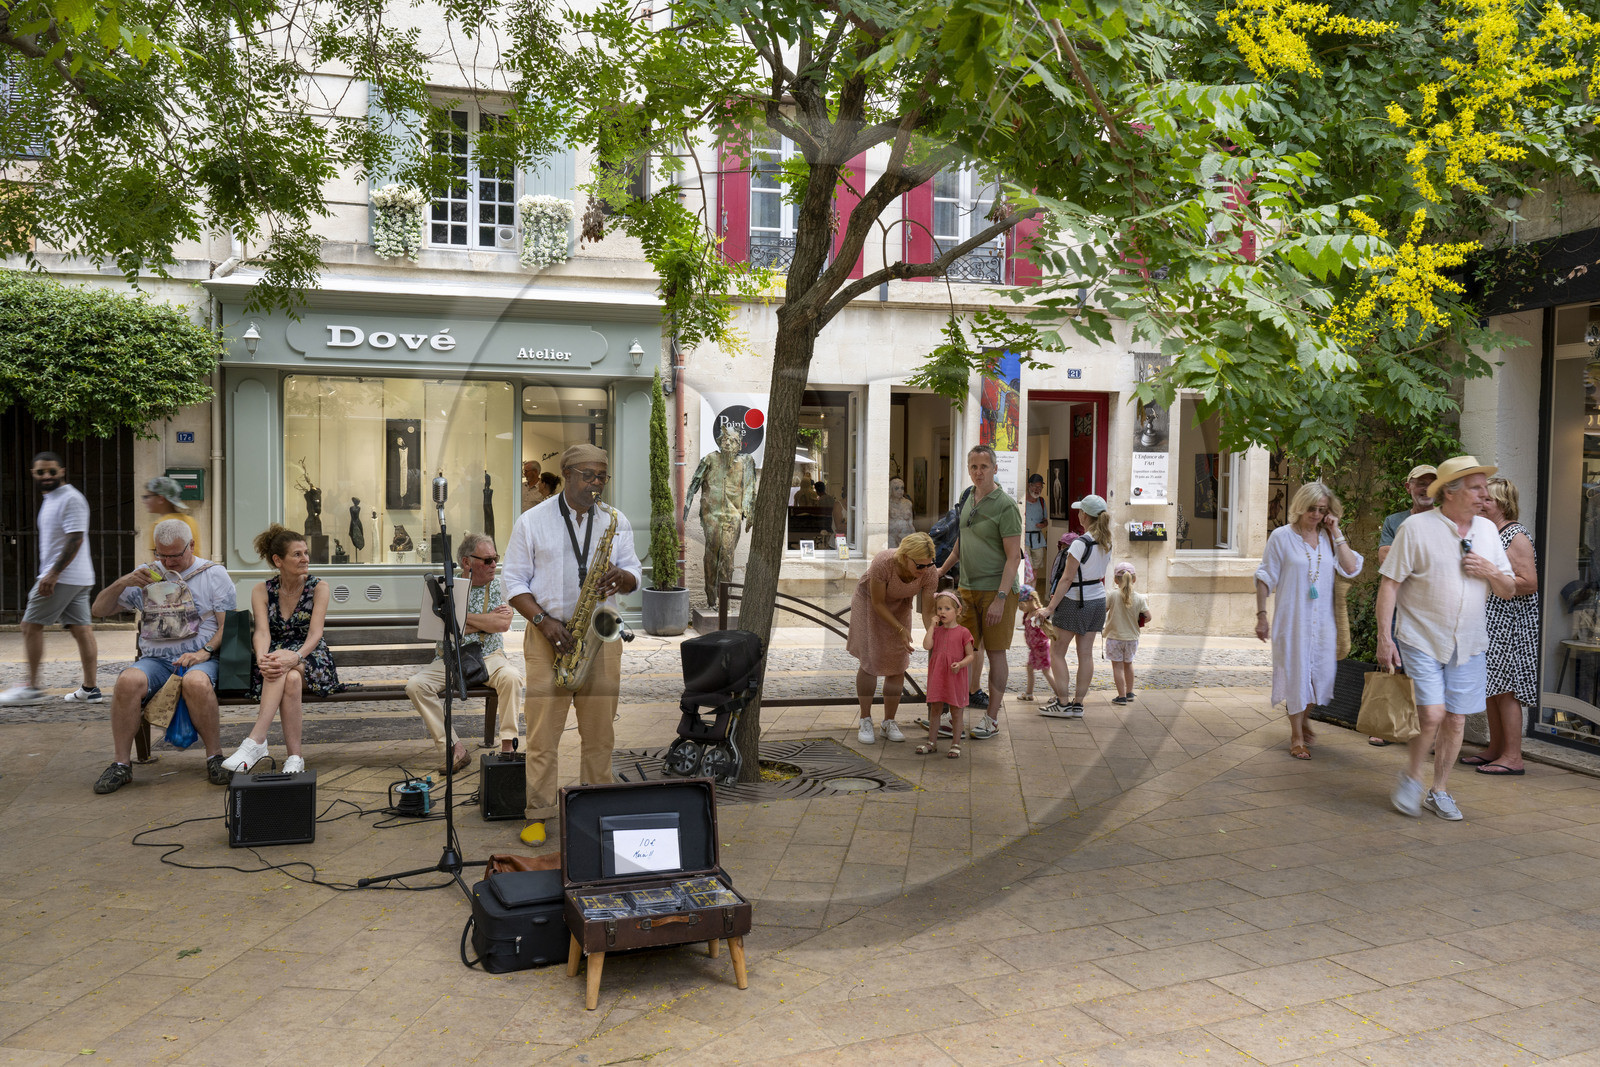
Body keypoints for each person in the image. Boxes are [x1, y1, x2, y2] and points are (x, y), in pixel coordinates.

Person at [504, 444, 642, 846]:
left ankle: (595, 807)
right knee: (543, 735)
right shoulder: (532, 522)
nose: (597, 483)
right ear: (566, 474)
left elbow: (635, 572)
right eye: (588, 476)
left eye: (602, 476)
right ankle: (539, 812)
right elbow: (513, 582)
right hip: (549, 634)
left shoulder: (615, 520)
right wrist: (543, 622)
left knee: (600, 735)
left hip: (600, 635)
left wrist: (624, 578)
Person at [1378, 456, 1517, 821]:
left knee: (1455, 720)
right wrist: (1383, 637)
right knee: (1433, 713)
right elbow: (1389, 584)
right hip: (1420, 636)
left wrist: (1489, 570)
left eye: (1484, 489)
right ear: (1450, 493)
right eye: (1476, 488)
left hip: (1469, 641)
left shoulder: (1487, 532)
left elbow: (1508, 588)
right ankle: (1411, 776)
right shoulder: (1415, 528)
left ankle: (1438, 790)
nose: (1484, 496)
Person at [88, 519, 237, 793]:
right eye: (161, 554)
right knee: (126, 682)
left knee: (196, 683)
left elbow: (228, 626)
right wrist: (124, 582)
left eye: (176, 555)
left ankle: (215, 757)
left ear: (191, 546)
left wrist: (204, 653)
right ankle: (121, 764)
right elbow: (99, 609)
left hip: (201, 659)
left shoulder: (213, 574)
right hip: (156, 661)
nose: (168, 562)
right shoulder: (146, 574)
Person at [220, 525, 344, 774]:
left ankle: (256, 740)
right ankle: (295, 758)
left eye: (306, 553)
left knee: (286, 668)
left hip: (311, 658)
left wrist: (295, 656)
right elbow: (262, 632)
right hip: (279, 660)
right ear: (278, 560)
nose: (305, 559)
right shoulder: (261, 590)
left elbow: (315, 634)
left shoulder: (319, 587)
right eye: (297, 554)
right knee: (290, 678)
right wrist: (263, 657)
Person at [1254, 483, 1364, 759]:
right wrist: (1262, 616)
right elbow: (1265, 576)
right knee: (1297, 675)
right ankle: (1296, 736)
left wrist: (1336, 531)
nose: (1316, 514)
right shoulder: (1281, 537)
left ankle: (1304, 717)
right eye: (1312, 509)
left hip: (1323, 623)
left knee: (1322, 675)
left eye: (1322, 510)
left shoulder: (1329, 538)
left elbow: (1351, 568)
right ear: (1300, 507)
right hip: (1292, 621)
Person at [404, 534, 525, 774]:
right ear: (467, 562)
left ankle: (507, 746)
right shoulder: (443, 589)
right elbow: (436, 626)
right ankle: (455, 748)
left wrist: (457, 620)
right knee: (415, 686)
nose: (494, 565)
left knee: (512, 677)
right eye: (488, 560)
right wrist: (484, 622)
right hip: (449, 658)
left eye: (495, 559)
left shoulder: (502, 585)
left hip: (490, 657)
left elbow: (501, 624)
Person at [935, 445, 1022, 739]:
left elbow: (1014, 557)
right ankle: (950, 717)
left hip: (997, 591)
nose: (978, 472)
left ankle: (991, 718)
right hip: (967, 590)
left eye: (984, 466)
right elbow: (961, 542)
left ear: (995, 468)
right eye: (973, 466)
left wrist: (1000, 598)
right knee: (960, 651)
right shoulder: (968, 497)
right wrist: (940, 570)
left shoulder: (1006, 505)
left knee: (996, 654)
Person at [1, 453, 100, 706]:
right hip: (77, 576)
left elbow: (75, 538)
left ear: (62, 471)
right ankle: (90, 689)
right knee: (81, 630)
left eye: (52, 472)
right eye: (41, 472)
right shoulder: (52, 498)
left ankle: (32, 688)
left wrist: (53, 574)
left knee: (29, 625)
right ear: (33, 473)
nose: (46, 476)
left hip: (63, 576)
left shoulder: (70, 498)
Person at [1462, 476, 1538, 776]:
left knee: (1506, 690)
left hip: (1511, 624)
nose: (1481, 503)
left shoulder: (1516, 534)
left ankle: (1513, 756)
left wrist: (1492, 573)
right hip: (1492, 620)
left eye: (1488, 500)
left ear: (1503, 504)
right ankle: (1496, 749)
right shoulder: (1491, 533)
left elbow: (1529, 583)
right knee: (1492, 687)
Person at [845, 532, 938, 744]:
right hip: (869, 604)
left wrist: (933, 633)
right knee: (871, 660)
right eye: (920, 566)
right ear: (905, 557)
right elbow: (878, 603)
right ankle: (865, 719)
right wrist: (899, 629)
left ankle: (889, 722)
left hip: (900, 606)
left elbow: (927, 611)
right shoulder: (884, 562)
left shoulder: (929, 571)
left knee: (898, 662)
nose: (924, 570)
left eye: (928, 565)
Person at [1368, 463, 1437, 745]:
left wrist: (1407, 558)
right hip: (1398, 604)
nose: (1425, 488)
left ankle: (1426, 732)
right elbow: (1385, 557)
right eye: (1420, 483)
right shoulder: (1394, 520)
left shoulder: (1446, 520)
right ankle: (1389, 724)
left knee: (1430, 667)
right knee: (1393, 662)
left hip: (1431, 608)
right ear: (1408, 487)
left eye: (1432, 483)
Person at [1035, 495, 1114, 719]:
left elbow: (1066, 579)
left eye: (1080, 511)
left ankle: (1062, 703)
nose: (1078, 514)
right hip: (1098, 600)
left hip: (1075, 601)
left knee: (1057, 652)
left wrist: (1049, 608)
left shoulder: (1080, 543)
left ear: (1084, 515)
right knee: (1085, 654)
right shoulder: (1107, 541)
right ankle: (1078, 705)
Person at [684, 423, 758, 604]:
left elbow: (749, 489)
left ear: (739, 445)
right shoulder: (709, 459)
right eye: (724, 440)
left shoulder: (746, 462)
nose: (727, 444)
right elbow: (694, 484)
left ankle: (724, 603)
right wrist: (686, 508)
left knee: (727, 559)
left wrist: (750, 513)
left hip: (733, 517)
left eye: (732, 441)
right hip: (712, 517)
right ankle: (711, 600)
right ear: (719, 442)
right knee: (711, 557)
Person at [916, 590, 977, 758]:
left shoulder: (963, 632)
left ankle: (956, 743)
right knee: (935, 709)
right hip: (938, 675)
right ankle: (932, 742)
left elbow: (971, 655)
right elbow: (927, 645)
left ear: (958, 611)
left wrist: (961, 664)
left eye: (947, 608)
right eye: (939, 608)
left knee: (956, 710)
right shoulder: (937, 631)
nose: (942, 612)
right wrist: (931, 626)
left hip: (955, 675)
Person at [1104, 562, 1151, 706]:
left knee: (1117, 667)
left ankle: (1121, 696)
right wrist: (1138, 622)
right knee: (1128, 664)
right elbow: (1148, 617)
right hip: (1132, 638)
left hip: (1114, 637)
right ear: (1134, 579)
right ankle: (1130, 692)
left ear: (1115, 580)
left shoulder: (1112, 595)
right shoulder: (1140, 598)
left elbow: (1103, 610)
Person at [142, 476, 202, 556]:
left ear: (161, 499)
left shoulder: (159, 525)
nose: (144, 501)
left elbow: (158, 564)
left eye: (147, 497)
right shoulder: (190, 520)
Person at [1017, 586, 1055, 703]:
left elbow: (1045, 629)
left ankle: (1060, 695)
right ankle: (1029, 693)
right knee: (1029, 669)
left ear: (1030, 600)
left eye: (1022, 604)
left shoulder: (1038, 613)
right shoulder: (1027, 614)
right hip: (1033, 649)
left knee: (1046, 671)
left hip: (1041, 648)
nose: (1020, 608)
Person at [1024, 473, 1049, 583]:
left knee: (1035, 571)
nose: (1037, 489)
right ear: (1029, 486)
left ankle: (1032, 595)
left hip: (1038, 540)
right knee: (1026, 570)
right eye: (1035, 486)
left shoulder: (1042, 502)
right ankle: (1025, 597)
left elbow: (1045, 520)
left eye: (1040, 487)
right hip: (1024, 540)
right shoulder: (1022, 501)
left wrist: (1043, 524)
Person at [887, 477, 915, 548]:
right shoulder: (887, 504)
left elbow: (910, 522)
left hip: (905, 535)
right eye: (897, 488)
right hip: (891, 535)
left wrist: (914, 536)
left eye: (902, 488)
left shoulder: (908, 503)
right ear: (891, 489)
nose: (900, 491)